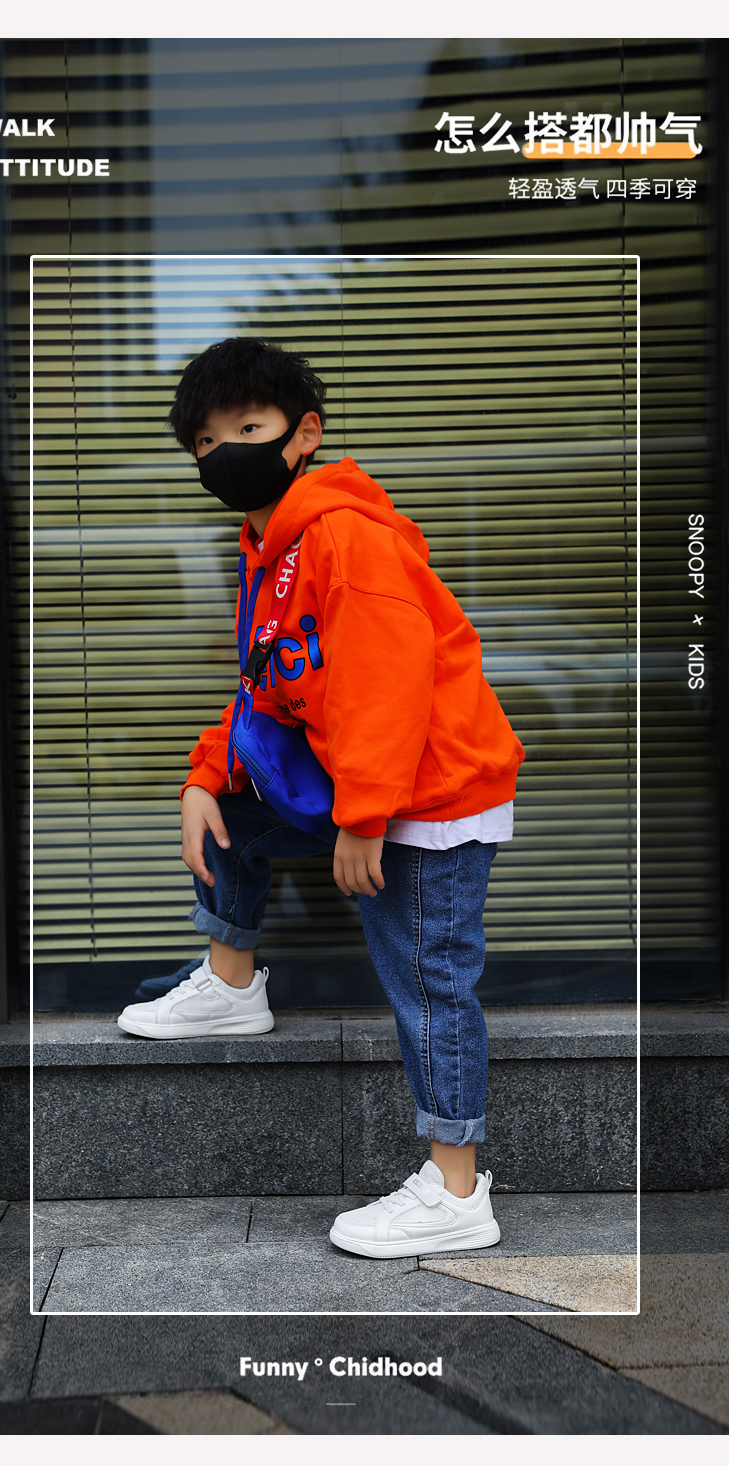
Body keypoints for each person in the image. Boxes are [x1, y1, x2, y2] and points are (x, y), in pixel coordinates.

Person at [117, 337, 525, 1259]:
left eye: (247, 429)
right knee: (228, 812)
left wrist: (364, 817)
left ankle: (456, 1189)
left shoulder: (346, 536)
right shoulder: (269, 551)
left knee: (429, 981)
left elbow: (387, 680)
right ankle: (232, 984)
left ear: (304, 434)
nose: (224, 454)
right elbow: (265, 690)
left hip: (432, 793)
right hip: (366, 784)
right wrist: (202, 776)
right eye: (205, 442)